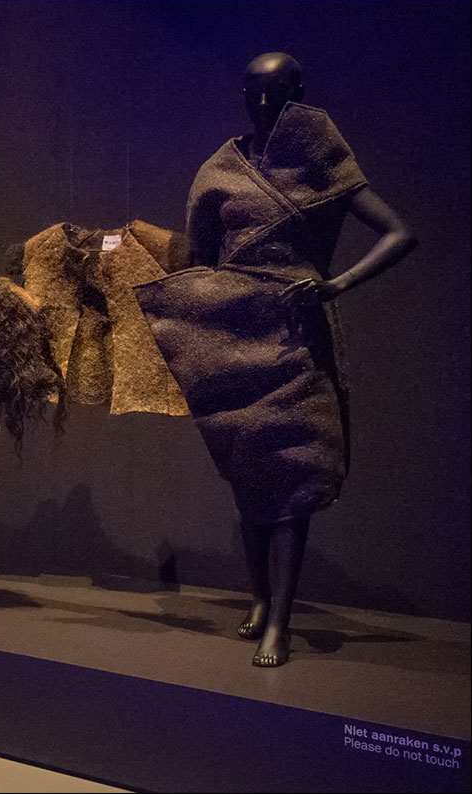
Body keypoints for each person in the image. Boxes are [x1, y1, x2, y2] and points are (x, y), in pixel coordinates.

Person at [134, 54, 416, 667]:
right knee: (247, 476)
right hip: (234, 339)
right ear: (242, 95)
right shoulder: (219, 170)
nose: (265, 108)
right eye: (255, 96)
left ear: (298, 93)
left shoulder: (321, 161)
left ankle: (279, 623)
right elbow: (201, 263)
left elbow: (399, 233)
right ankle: (259, 597)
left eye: (279, 95)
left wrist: (335, 284)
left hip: (296, 335)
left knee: (292, 477)